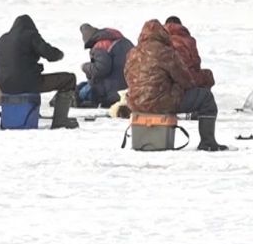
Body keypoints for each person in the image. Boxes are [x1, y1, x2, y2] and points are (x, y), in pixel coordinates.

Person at [124, 19, 227, 151]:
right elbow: (186, 81)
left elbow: (127, 77)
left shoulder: (132, 53)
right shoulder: (166, 52)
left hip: (136, 103)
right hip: (162, 103)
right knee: (206, 98)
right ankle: (207, 142)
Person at [0, 15, 79, 129]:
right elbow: (49, 54)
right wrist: (60, 54)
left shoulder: (3, 39)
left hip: (5, 86)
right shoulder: (30, 35)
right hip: (28, 84)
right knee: (69, 80)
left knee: (24, 79)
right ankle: (61, 121)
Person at [78, 23, 133, 107]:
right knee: (83, 85)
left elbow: (100, 69)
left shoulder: (100, 45)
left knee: (81, 92)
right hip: (128, 90)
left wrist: (85, 67)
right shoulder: (125, 41)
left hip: (112, 92)